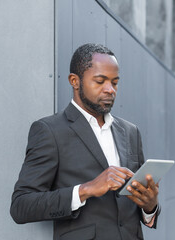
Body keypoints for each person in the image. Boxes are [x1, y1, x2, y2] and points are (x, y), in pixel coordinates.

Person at [10, 43, 160, 240]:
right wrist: (85, 190)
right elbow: (21, 206)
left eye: (114, 83)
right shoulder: (50, 131)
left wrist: (150, 206)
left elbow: (136, 207)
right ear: (75, 81)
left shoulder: (131, 132)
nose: (110, 90)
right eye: (100, 81)